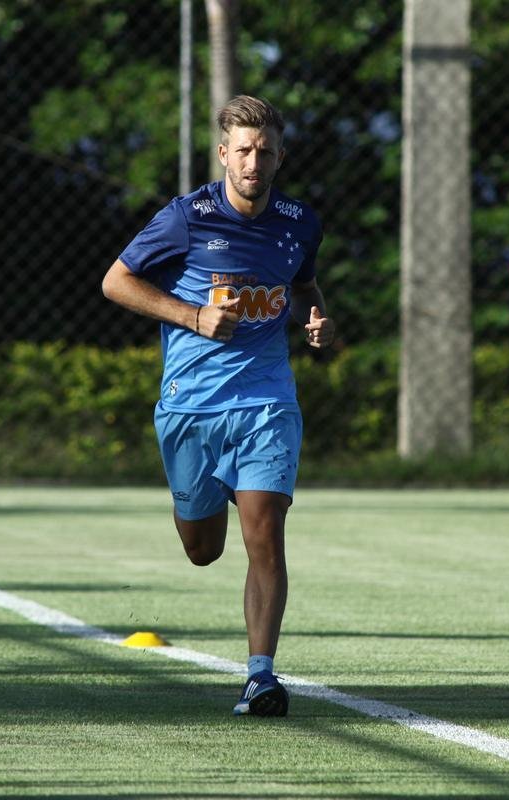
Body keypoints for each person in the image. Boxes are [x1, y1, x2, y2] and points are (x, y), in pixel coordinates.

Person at [101, 95, 334, 716]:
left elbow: (304, 282)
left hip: (266, 400)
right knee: (203, 549)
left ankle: (261, 676)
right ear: (224, 154)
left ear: (280, 156)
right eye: (244, 151)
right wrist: (192, 315)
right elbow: (115, 281)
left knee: (266, 532)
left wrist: (317, 316)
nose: (254, 161)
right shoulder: (185, 218)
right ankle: (199, 507)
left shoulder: (298, 222)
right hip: (192, 408)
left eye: (266, 151)